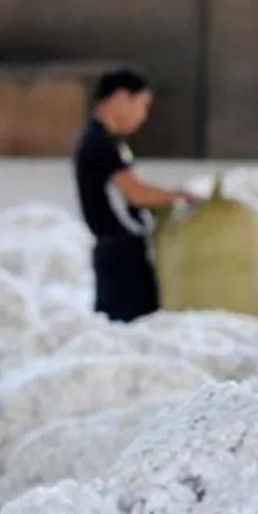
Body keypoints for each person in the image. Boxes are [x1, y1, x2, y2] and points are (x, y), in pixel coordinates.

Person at [72, 65, 198, 323]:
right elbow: (135, 193)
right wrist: (180, 196)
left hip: (117, 250)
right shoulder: (101, 144)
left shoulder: (105, 141)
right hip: (120, 251)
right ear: (120, 99)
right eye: (142, 106)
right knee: (129, 324)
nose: (143, 116)